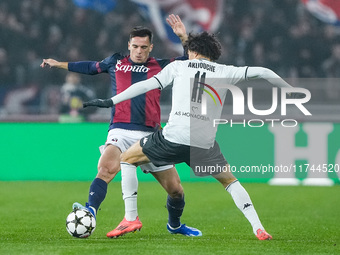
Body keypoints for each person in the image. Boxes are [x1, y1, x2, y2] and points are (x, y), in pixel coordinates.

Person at [83, 31, 302, 240]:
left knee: (127, 159)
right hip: (203, 144)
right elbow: (264, 72)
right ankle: (258, 228)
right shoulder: (225, 71)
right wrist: (288, 90)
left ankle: (131, 218)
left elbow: (145, 85)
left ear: (194, 52)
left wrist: (111, 101)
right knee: (230, 182)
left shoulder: (179, 66)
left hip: (173, 138)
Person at [41, 15, 203, 238]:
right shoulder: (116, 62)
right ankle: (90, 211)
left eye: (144, 47)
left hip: (152, 135)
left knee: (176, 191)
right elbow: (91, 67)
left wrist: (184, 37)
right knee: (105, 168)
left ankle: (174, 225)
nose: (138, 51)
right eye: (135, 46)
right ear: (129, 45)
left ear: (151, 47)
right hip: (120, 130)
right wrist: (59, 63)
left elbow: (192, 62)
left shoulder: (162, 66)